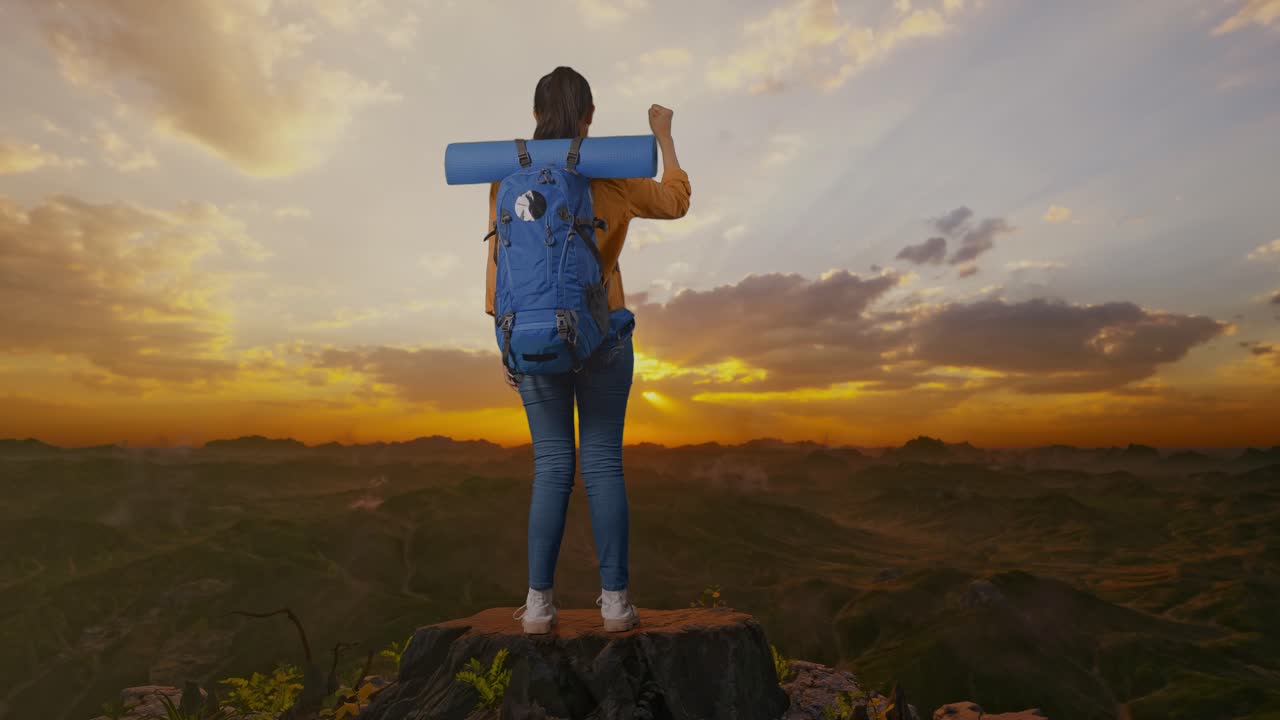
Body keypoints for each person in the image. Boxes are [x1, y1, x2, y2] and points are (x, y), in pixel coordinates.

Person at [485, 66, 691, 634]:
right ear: (590, 116)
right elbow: (676, 202)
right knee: (602, 464)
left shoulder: (506, 179)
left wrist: (507, 341)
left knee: (551, 467)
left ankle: (538, 606)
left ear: (535, 115)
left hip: (530, 335)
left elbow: (500, 266)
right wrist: (664, 137)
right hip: (604, 336)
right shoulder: (613, 175)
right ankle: (616, 603)